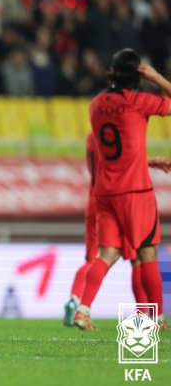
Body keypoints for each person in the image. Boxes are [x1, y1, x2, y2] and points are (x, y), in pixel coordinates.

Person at [74, 49, 171, 330]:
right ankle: (156, 318)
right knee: (147, 254)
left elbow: (115, 148)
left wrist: (147, 159)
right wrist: (156, 77)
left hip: (105, 191)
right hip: (135, 191)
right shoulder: (139, 101)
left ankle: (83, 308)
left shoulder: (96, 104)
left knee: (107, 254)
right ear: (138, 74)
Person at [63, 131, 171, 326]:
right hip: (123, 194)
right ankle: (147, 315)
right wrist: (149, 160)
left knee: (98, 257)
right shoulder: (118, 132)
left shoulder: (92, 136)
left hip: (96, 197)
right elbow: (122, 159)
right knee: (141, 256)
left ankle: (79, 303)